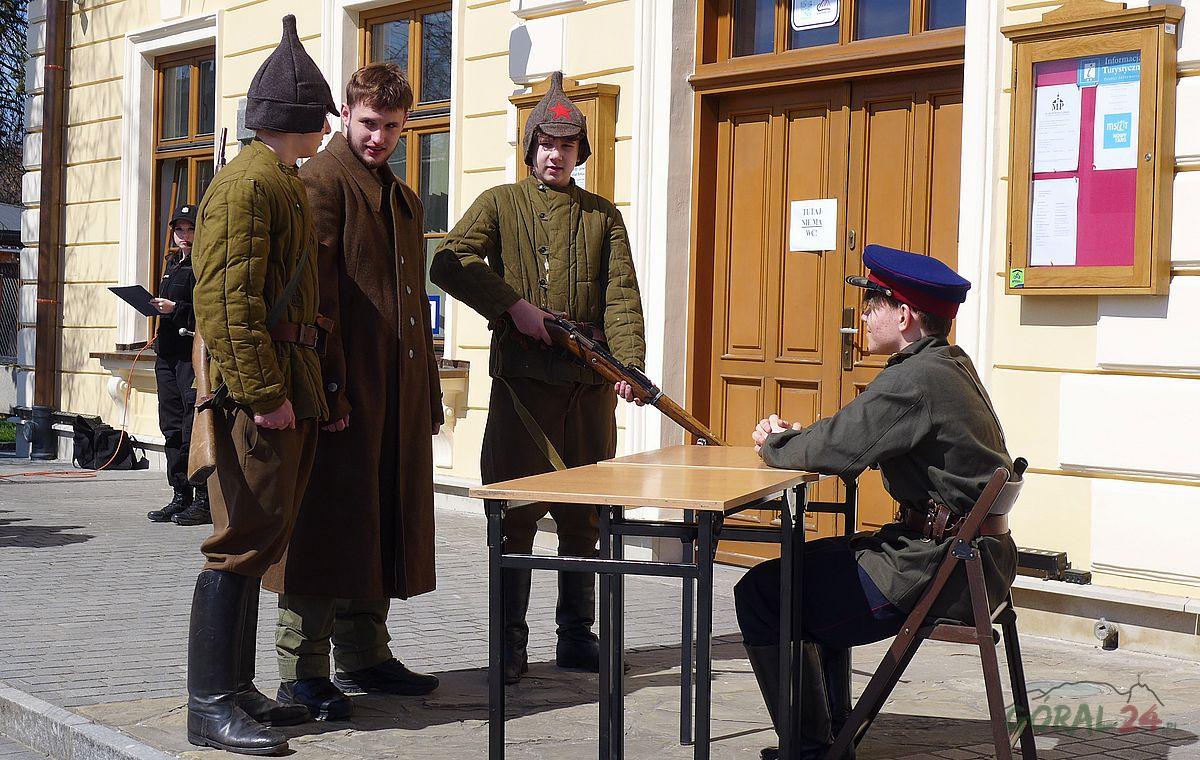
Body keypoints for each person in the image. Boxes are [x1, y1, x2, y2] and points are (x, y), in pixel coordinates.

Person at [738, 245, 1019, 760]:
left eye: (873, 304)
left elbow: (839, 448)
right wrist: (802, 440)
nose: (863, 316)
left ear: (904, 315)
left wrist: (774, 444)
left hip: (935, 571)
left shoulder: (915, 379)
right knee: (805, 572)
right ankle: (829, 739)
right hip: (970, 564)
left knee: (764, 592)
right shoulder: (948, 364)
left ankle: (811, 751)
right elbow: (850, 435)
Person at [430, 71, 646, 685]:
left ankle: (577, 636)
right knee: (515, 514)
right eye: (546, 144)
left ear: (580, 152)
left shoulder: (603, 216)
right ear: (530, 149)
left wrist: (628, 365)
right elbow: (449, 260)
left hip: (589, 390)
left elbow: (621, 295)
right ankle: (509, 644)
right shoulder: (500, 202)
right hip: (522, 389)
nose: (556, 155)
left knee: (587, 517)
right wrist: (513, 308)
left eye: (567, 145)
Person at [268, 62, 443, 721]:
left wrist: (426, 391)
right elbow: (314, 299)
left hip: (394, 393)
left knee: (379, 523)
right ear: (345, 114)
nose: (379, 138)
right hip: (340, 393)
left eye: (393, 127)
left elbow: (412, 305)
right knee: (324, 529)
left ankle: (365, 654)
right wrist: (330, 389)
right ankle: (301, 671)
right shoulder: (322, 181)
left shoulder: (400, 196)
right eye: (369, 123)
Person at [185, 15, 336, 755]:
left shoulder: (278, 181)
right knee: (239, 542)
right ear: (296, 118)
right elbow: (227, 303)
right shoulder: (248, 186)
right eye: (319, 118)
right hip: (258, 395)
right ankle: (209, 704)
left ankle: (237, 690)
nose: (326, 130)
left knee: (262, 538)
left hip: (283, 384)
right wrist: (265, 394)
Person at [146, 204, 210, 525]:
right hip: (167, 353)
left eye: (190, 229)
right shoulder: (172, 264)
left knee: (190, 425)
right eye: (179, 230)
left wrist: (177, 309)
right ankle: (180, 494)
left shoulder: (204, 264)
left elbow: (207, 310)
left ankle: (203, 499)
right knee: (170, 425)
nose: (184, 235)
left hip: (190, 355)